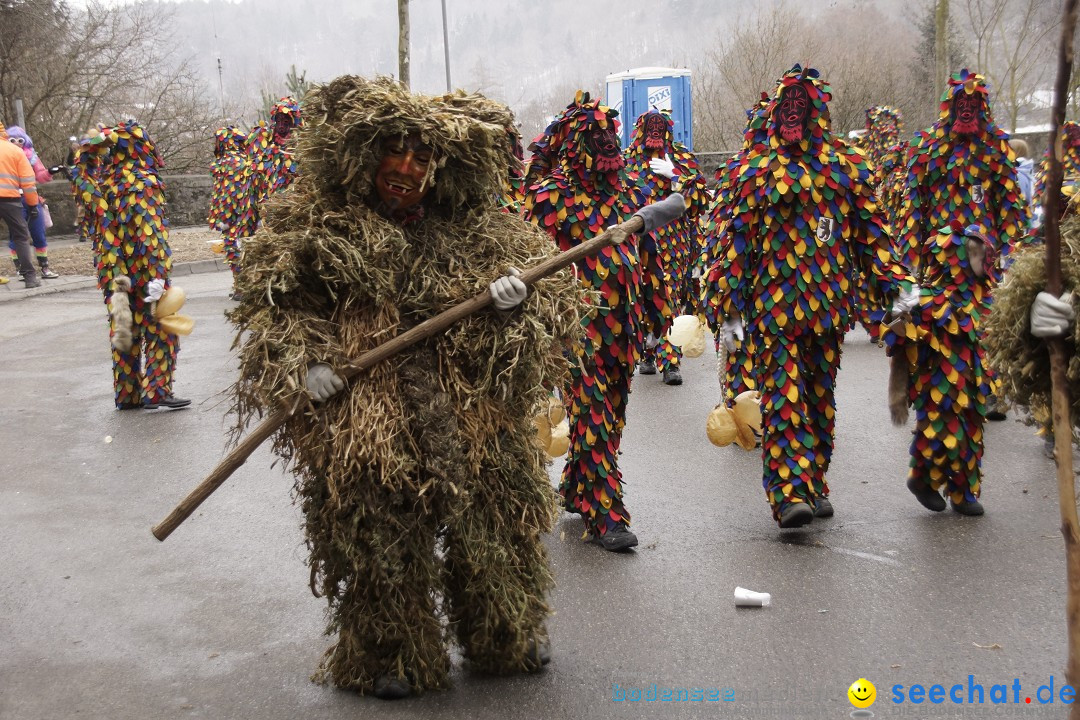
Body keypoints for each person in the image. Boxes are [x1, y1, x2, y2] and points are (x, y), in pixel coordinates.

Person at [228, 76, 586, 699]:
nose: (407, 168)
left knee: (497, 521)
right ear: (360, 155)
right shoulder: (314, 224)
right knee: (378, 533)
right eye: (394, 150)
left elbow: (548, 300)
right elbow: (273, 306)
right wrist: (309, 362)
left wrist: (514, 299)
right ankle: (390, 652)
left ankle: (505, 632)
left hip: (471, 410)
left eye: (423, 156)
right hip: (370, 409)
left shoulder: (474, 227)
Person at [705, 64, 915, 528]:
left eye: (804, 106)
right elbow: (734, 244)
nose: (794, 115)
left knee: (820, 398)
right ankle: (788, 493)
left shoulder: (846, 167)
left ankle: (814, 481)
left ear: (818, 113)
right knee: (784, 397)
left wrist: (901, 291)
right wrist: (731, 310)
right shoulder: (755, 171)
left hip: (828, 307)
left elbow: (873, 236)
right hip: (773, 309)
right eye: (788, 106)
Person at [522, 91, 671, 550]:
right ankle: (607, 516)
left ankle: (574, 488)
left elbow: (647, 258)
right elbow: (527, 229)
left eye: (610, 132)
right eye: (594, 135)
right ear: (574, 146)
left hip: (622, 330)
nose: (607, 141)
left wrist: (655, 308)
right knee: (593, 416)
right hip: (576, 333)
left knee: (614, 415)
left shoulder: (631, 193)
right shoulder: (552, 199)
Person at [884, 224, 996, 515]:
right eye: (974, 255)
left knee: (971, 435)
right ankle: (923, 481)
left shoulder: (984, 299)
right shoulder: (927, 299)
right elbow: (900, 343)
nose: (982, 262)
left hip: (973, 382)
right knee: (939, 433)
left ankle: (963, 493)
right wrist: (897, 393)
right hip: (937, 383)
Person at [85, 122, 189, 410]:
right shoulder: (144, 181)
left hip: (113, 271)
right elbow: (150, 232)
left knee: (123, 326)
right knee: (160, 328)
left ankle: (127, 393)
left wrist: (89, 150)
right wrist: (157, 277)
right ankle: (156, 391)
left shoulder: (103, 184)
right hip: (144, 269)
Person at [624, 109, 708, 386]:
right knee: (644, 297)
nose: (655, 133)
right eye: (650, 127)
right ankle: (648, 353)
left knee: (669, 298)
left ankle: (670, 361)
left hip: (674, 245)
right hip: (640, 243)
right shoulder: (628, 161)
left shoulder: (681, 158)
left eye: (660, 127)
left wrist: (676, 175)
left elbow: (699, 201)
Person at [5, 126, 59, 279]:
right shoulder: (5, 156)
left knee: (38, 233)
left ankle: (44, 267)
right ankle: (21, 269)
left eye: (20, 140)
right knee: (16, 235)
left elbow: (40, 176)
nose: (17, 143)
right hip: (12, 199)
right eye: (12, 140)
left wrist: (50, 172)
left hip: (32, 198)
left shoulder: (31, 157)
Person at [0, 123, 41, 288]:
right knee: (21, 237)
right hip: (10, 200)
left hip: (10, 200)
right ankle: (29, 277)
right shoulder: (15, 150)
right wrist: (32, 205)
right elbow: (28, 182)